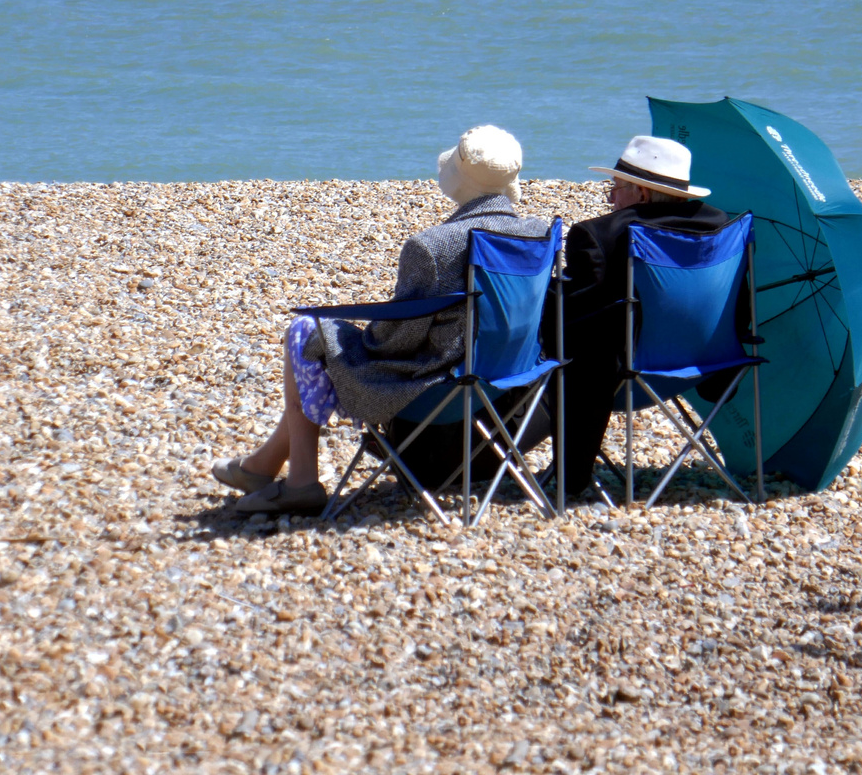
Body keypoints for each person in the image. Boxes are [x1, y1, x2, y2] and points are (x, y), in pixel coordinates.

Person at [211, 125, 549, 515]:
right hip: (505, 381)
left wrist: (354, 340)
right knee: (322, 337)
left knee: (306, 330)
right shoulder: (537, 233)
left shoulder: (435, 246)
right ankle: (260, 467)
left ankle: (301, 482)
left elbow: (394, 343)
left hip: (433, 390)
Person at [551, 135, 731, 495]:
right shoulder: (721, 227)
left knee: (564, 343)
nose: (611, 198)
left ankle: (567, 476)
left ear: (643, 195)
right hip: (709, 362)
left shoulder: (600, 234)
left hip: (630, 370)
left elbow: (574, 316)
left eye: (616, 188)